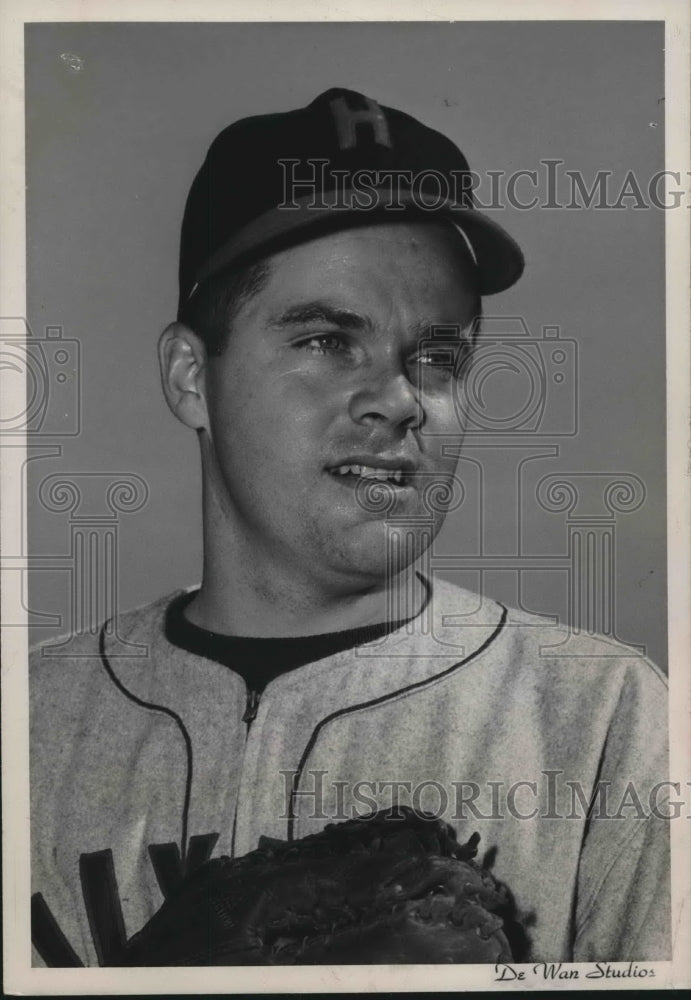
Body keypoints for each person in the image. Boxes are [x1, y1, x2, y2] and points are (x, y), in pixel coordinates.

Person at [29, 88, 670, 967]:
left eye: (438, 357)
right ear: (190, 376)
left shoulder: (602, 719)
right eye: (329, 340)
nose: (401, 399)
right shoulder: (27, 722)